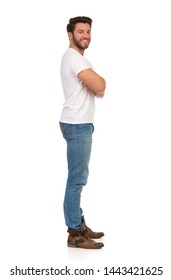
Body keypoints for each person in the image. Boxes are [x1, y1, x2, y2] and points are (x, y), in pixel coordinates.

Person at [59, 16, 106, 249]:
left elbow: (98, 89)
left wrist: (97, 85)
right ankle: (75, 233)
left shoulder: (78, 59)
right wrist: (97, 83)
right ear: (70, 35)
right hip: (77, 124)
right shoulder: (74, 58)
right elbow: (100, 86)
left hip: (79, 123)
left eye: (88, 31)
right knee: (76, 180)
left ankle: (78, 222)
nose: (85, 35)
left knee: (78, 178)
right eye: (80, 32)